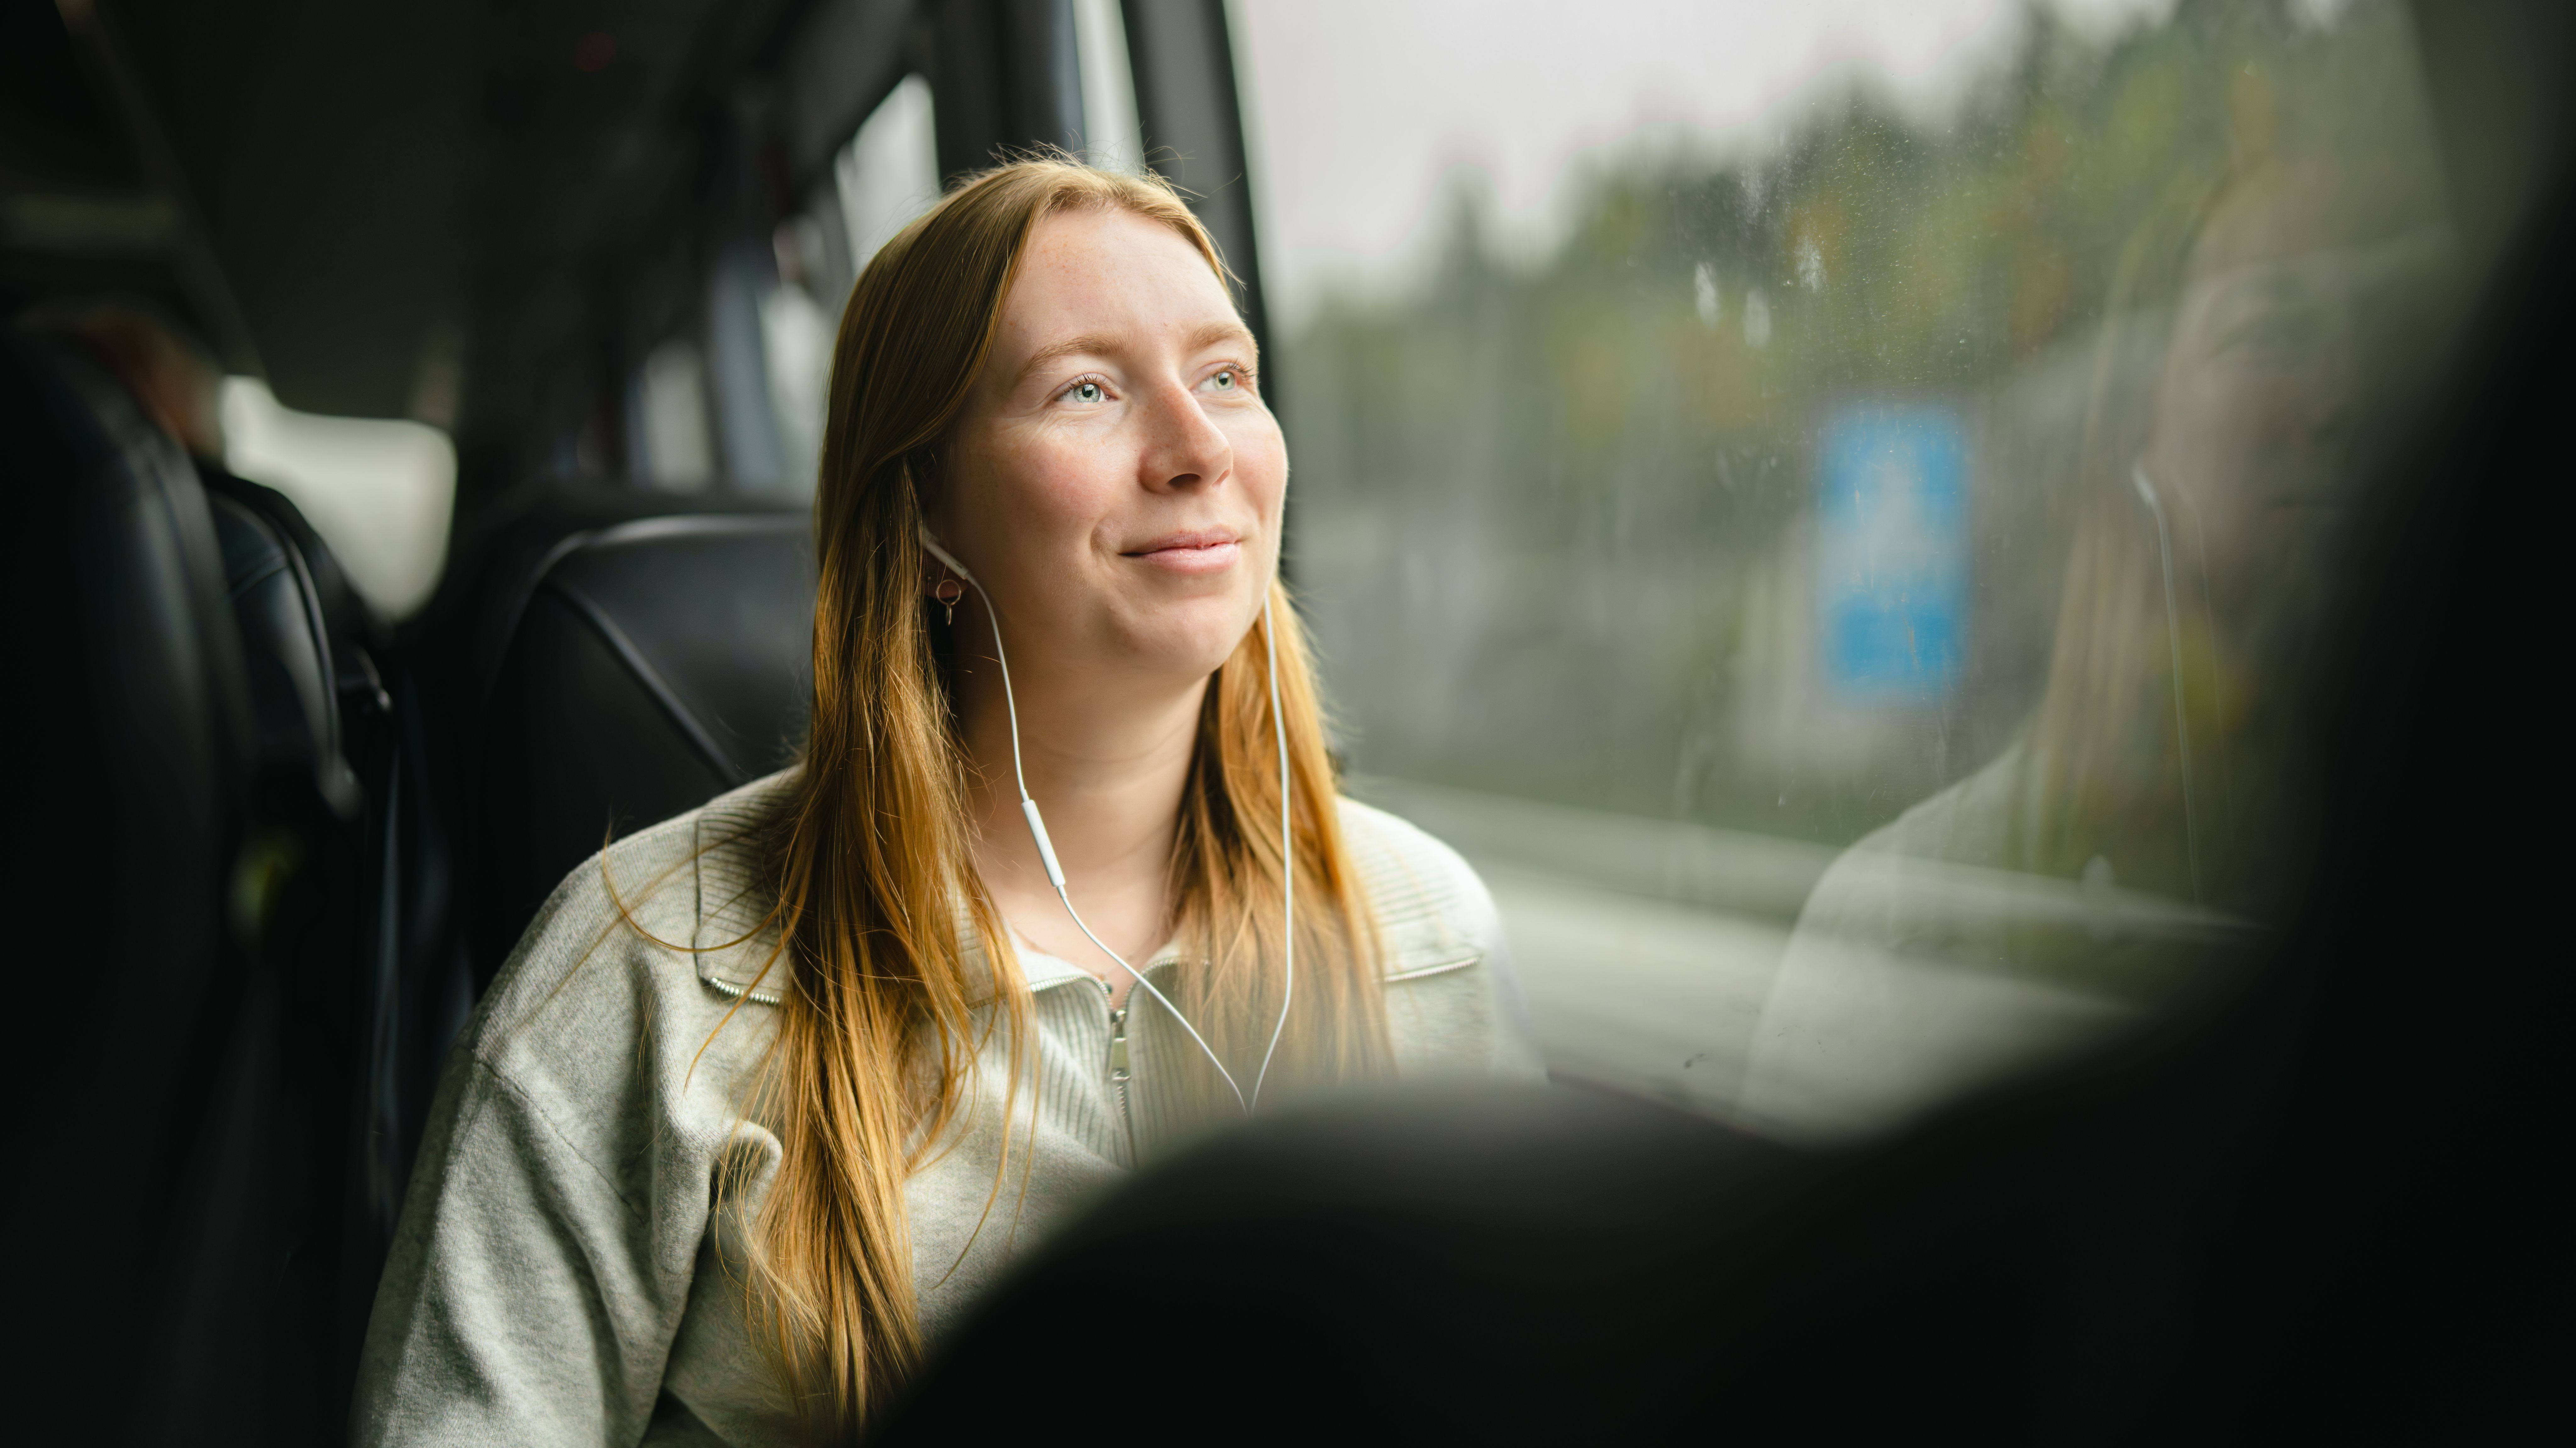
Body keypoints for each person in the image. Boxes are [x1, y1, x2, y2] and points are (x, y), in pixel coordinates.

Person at [354, 159, 1539, 1446]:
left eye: (1225, 377)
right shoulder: (645, 975)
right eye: (1087, 390)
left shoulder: (1425, 941)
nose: (1199, 451)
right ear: (919, 510)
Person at [1741, 130, 2456, 1141]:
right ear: (2137, 431)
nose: (2346, 397)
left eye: (2391, 337)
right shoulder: (1908, 916)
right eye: (2270, 337)